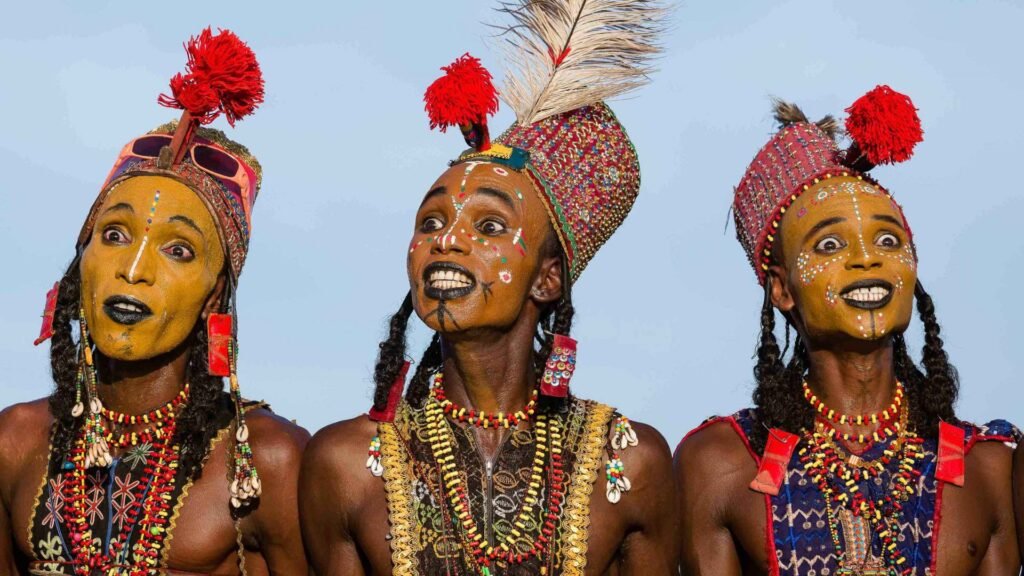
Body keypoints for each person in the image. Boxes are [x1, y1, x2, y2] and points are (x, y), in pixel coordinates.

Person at [300, 1, 677, 574]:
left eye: (490, 226)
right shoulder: (344, 463)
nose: (445, 242)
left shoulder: (630, 461)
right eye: (430, 222)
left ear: (549, 278)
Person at [675, 87, 1022, 575]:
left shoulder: (990, 466)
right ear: (782, 289)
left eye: (888, 239)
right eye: (830, 244)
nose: (867, 258)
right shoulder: (722, 462)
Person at [0, 28, 309, 575]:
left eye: (178, 249)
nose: (134, 269)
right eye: (114, 235)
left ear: (216, 290)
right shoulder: (16, 442)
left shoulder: (268, 460)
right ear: (80, 262)